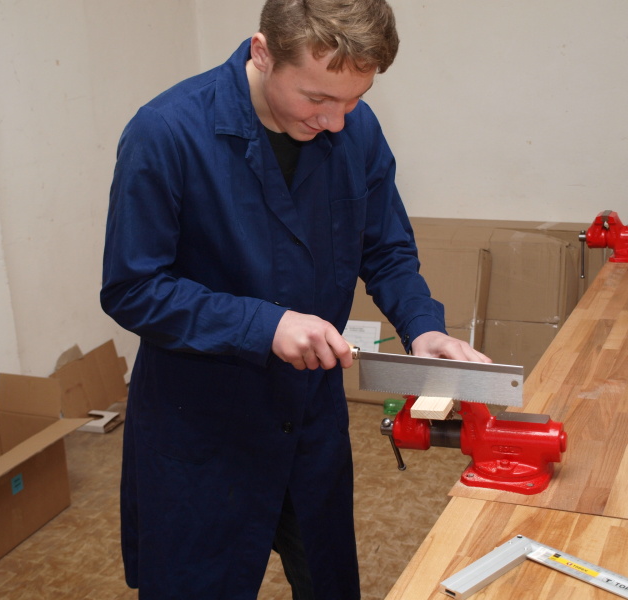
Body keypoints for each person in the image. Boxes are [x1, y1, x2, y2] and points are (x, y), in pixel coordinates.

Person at [101, 0, 490, 598]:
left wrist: (422, 327)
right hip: (202, 421)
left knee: (327, 580)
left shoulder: (356, 130)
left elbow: (386, 249)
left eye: (353, 100)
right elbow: (133, 287)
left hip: (310, 419)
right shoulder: (167, 133)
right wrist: (264, 326)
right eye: (316, 99)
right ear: (263, 53)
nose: (334, 122)